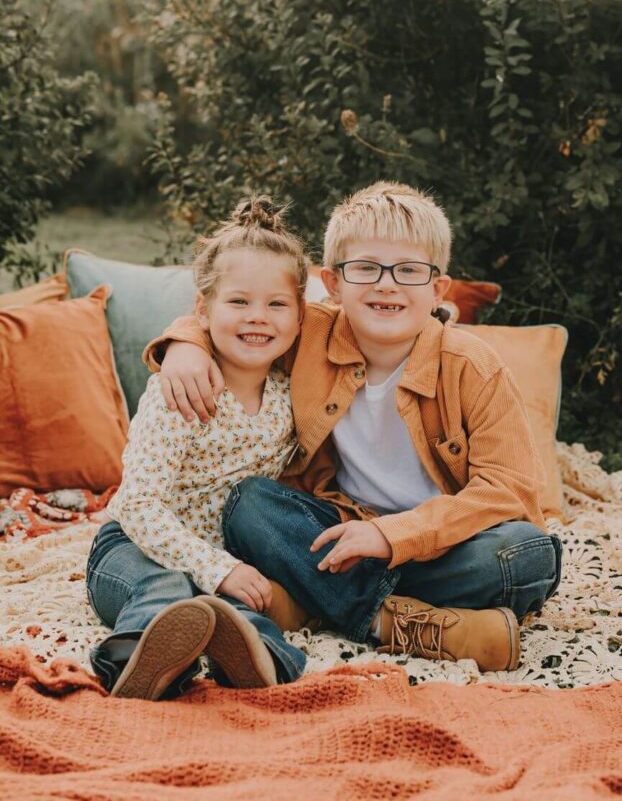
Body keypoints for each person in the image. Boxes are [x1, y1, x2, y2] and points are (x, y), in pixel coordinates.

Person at [148, 182, 563, 674]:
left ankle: (308, 599)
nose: (387, 285)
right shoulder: (309, 332)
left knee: (529, 553)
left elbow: (508, 490)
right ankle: (395, 621)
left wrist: (393, 536)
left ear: (437, 289)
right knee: (249, 503)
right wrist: (185, 343)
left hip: (441, 547)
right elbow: (240, 317)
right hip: (336, 536)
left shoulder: (473, 367)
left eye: (408, 271)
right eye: (366, 268)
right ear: (333, 282)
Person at [86, 197, 310, 699]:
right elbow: (141, 506)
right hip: (131, 547)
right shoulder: (181, 390)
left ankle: (260, 659)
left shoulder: (292, 393)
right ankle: (136, 660)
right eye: (238, 302)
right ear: (202, 309)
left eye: (277, 304)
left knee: (241, 607)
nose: (258, 317)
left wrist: (227, 571)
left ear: (300, 316)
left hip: (224, 562)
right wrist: (215, 567)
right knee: (168, 589)